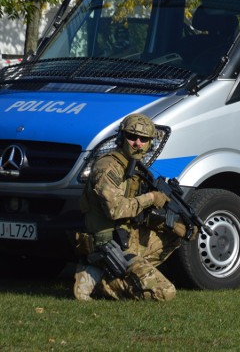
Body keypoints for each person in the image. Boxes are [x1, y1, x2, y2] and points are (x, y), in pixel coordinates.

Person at [73, 114, 185, 302]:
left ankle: (114, 274)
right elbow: (115, 210)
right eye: (132, 137)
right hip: (108, 243)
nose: (137, 143)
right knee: (165, 292)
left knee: (175, 234)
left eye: (144, 139)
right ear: (121, 138)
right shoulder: (108, 167)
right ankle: (105, 284)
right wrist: (150, 198)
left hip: (125, 237)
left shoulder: (132, 167)